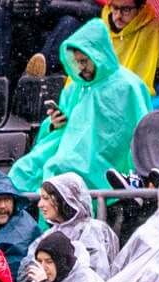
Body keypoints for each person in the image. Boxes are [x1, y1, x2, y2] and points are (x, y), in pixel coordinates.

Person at [11, 20, 151, 194]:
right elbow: (62, 125)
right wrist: (54, 124)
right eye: (77, 62)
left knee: (59, 169)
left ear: (98, 55)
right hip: (66, 146)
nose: (80, 68)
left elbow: (136, 132)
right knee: (22, 171)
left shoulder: (127, 85)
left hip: (101, 157)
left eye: (84, 61)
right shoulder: (77, 87)